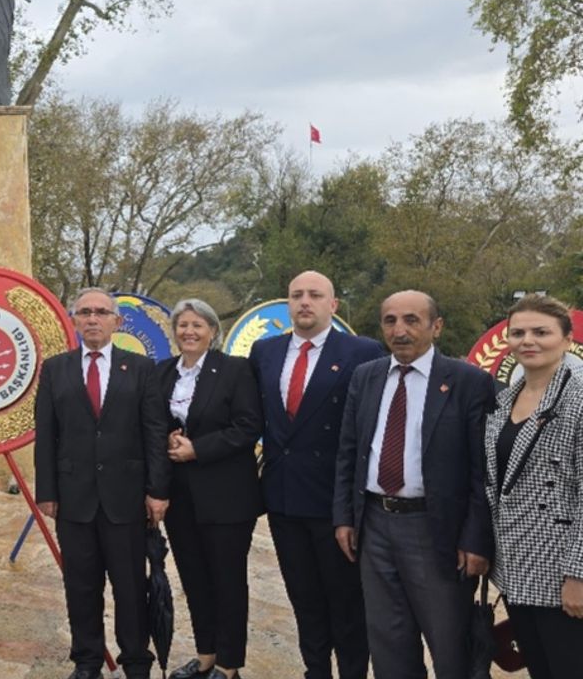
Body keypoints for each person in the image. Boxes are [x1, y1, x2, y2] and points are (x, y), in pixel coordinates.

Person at [333, 290, 495, 679]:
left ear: (436, 326)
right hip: (374, 525)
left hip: (436, 530)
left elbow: (482, 468)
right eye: (390, 320)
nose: (399, 330)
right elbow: (349, 452)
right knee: (388, 641)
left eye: (411, 320)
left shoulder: (468, 382)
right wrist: (344, 516)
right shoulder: (366, 376)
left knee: (449, 643)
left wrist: (475, 538)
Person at [247, 271, 382, 679]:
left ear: (333, 305)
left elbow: (369, 427)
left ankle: (353, 673)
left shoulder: (362, 350)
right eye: (296, 295)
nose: (305, 302)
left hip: (334, 500)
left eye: (315, 295)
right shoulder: (265, 351)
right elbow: (250, 415)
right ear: (287, 304)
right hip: (284, 498)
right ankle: (316, 671)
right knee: (304, 598)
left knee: (346, 601)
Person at [34, 287, 168, 679]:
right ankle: (87, 661)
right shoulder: (55, 368)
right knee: (81, 587)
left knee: (130, 588)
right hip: (73, 500)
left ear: (116, 321)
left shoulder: (140, 368)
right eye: (84, 312)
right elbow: (47, 434)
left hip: (125, 499)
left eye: (101, 312)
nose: (93, 319)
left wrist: (158, 490)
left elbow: (154, 432)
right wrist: (47, 491)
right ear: (74, 321)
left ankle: (136, 663)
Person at [156, 299, 264, 679]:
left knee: (227, 579)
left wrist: (197, 449)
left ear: (213, 331)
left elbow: (248, 426)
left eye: (197, 325)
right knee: (194, 576)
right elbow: (155, 420)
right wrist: (167, 438)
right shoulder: (164, 372)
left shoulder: (234, 370)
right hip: (181, 495)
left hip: (227, 494)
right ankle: (205, 655)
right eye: (182, 325)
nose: (189, 332)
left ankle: (228, 664)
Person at [483, 294, 583, 678]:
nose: (529, 340)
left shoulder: (577, 398)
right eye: (518, 332)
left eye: (541, 332)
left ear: (567, 339)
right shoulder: (505, 398)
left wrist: (578, 574)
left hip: (563, 572)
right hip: (517, 567)